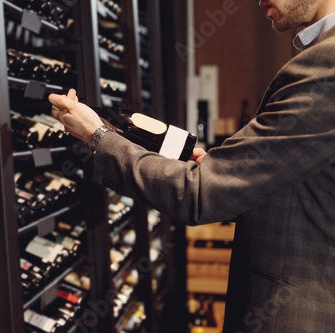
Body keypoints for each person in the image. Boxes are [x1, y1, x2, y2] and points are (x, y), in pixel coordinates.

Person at [48, 1, 335, 332]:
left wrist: (97, 136)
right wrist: (230, 175)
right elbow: (307, 187)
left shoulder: (326, 63)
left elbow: (198, 195)